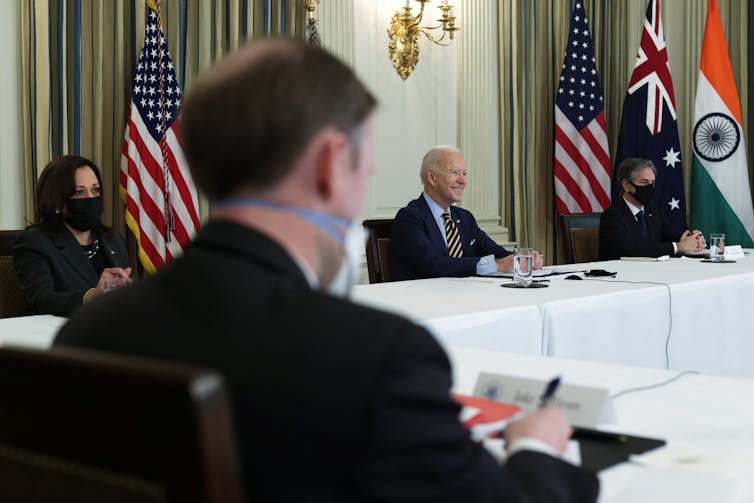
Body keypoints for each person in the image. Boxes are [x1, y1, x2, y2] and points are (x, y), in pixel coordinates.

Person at [55, 40, 598, 501]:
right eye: (366, 166)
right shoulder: (381, 358)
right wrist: (533, 448)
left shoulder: (86, 334)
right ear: (328, 163)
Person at [390, 146, 543, 281]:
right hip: (423, 306)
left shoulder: (464, 218)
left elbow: (498, 253)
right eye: (455, 172)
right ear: (432, 177)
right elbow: (434, 265)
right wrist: (497, 265)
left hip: (464, 299)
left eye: (464, 173)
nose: (463, 181)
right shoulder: (409, 218)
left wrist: (522, 259)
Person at [12, 155, 131, 316]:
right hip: (63, 335)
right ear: (57, 201)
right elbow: (41, 300)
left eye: (95, 190)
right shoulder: (35, 242)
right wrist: (91, 296)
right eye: (79, 192)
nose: (90, 198)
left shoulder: (113, 239)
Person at [599, 158, 705, 260]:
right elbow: (631, 250)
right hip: (619, 274)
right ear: (626, 185)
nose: (649, 188)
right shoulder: (612, 216)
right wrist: (678, 247)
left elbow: (674, 235)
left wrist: (694, 239)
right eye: (644, 182)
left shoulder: (652, 212)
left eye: (652, 183)